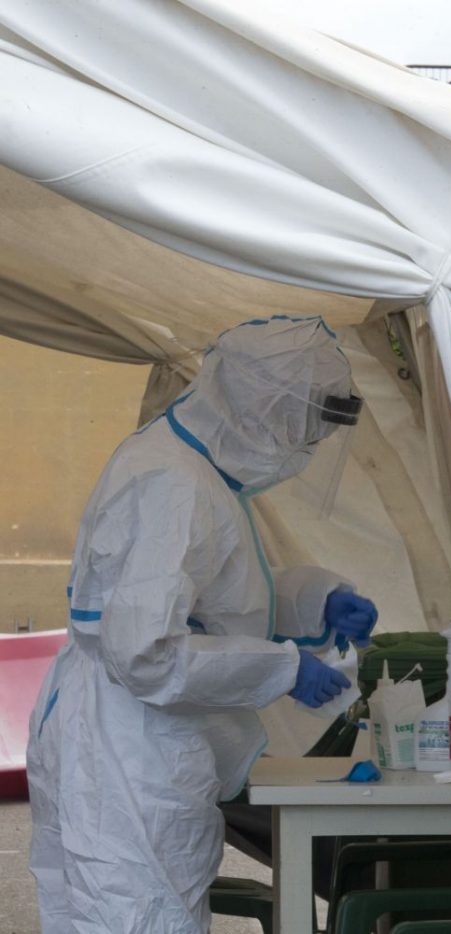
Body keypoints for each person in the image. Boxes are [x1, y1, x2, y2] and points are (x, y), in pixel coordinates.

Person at [26, 315, 378, 934]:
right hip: (129, 749)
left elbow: (211, 593)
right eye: (303, 430)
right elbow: (147, 652)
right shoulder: (173, 482)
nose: (304, 447)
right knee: (140, 916)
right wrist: (283, 669)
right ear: (261, 409)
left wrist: (312, 601)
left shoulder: (190, 469)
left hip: (123, 736)